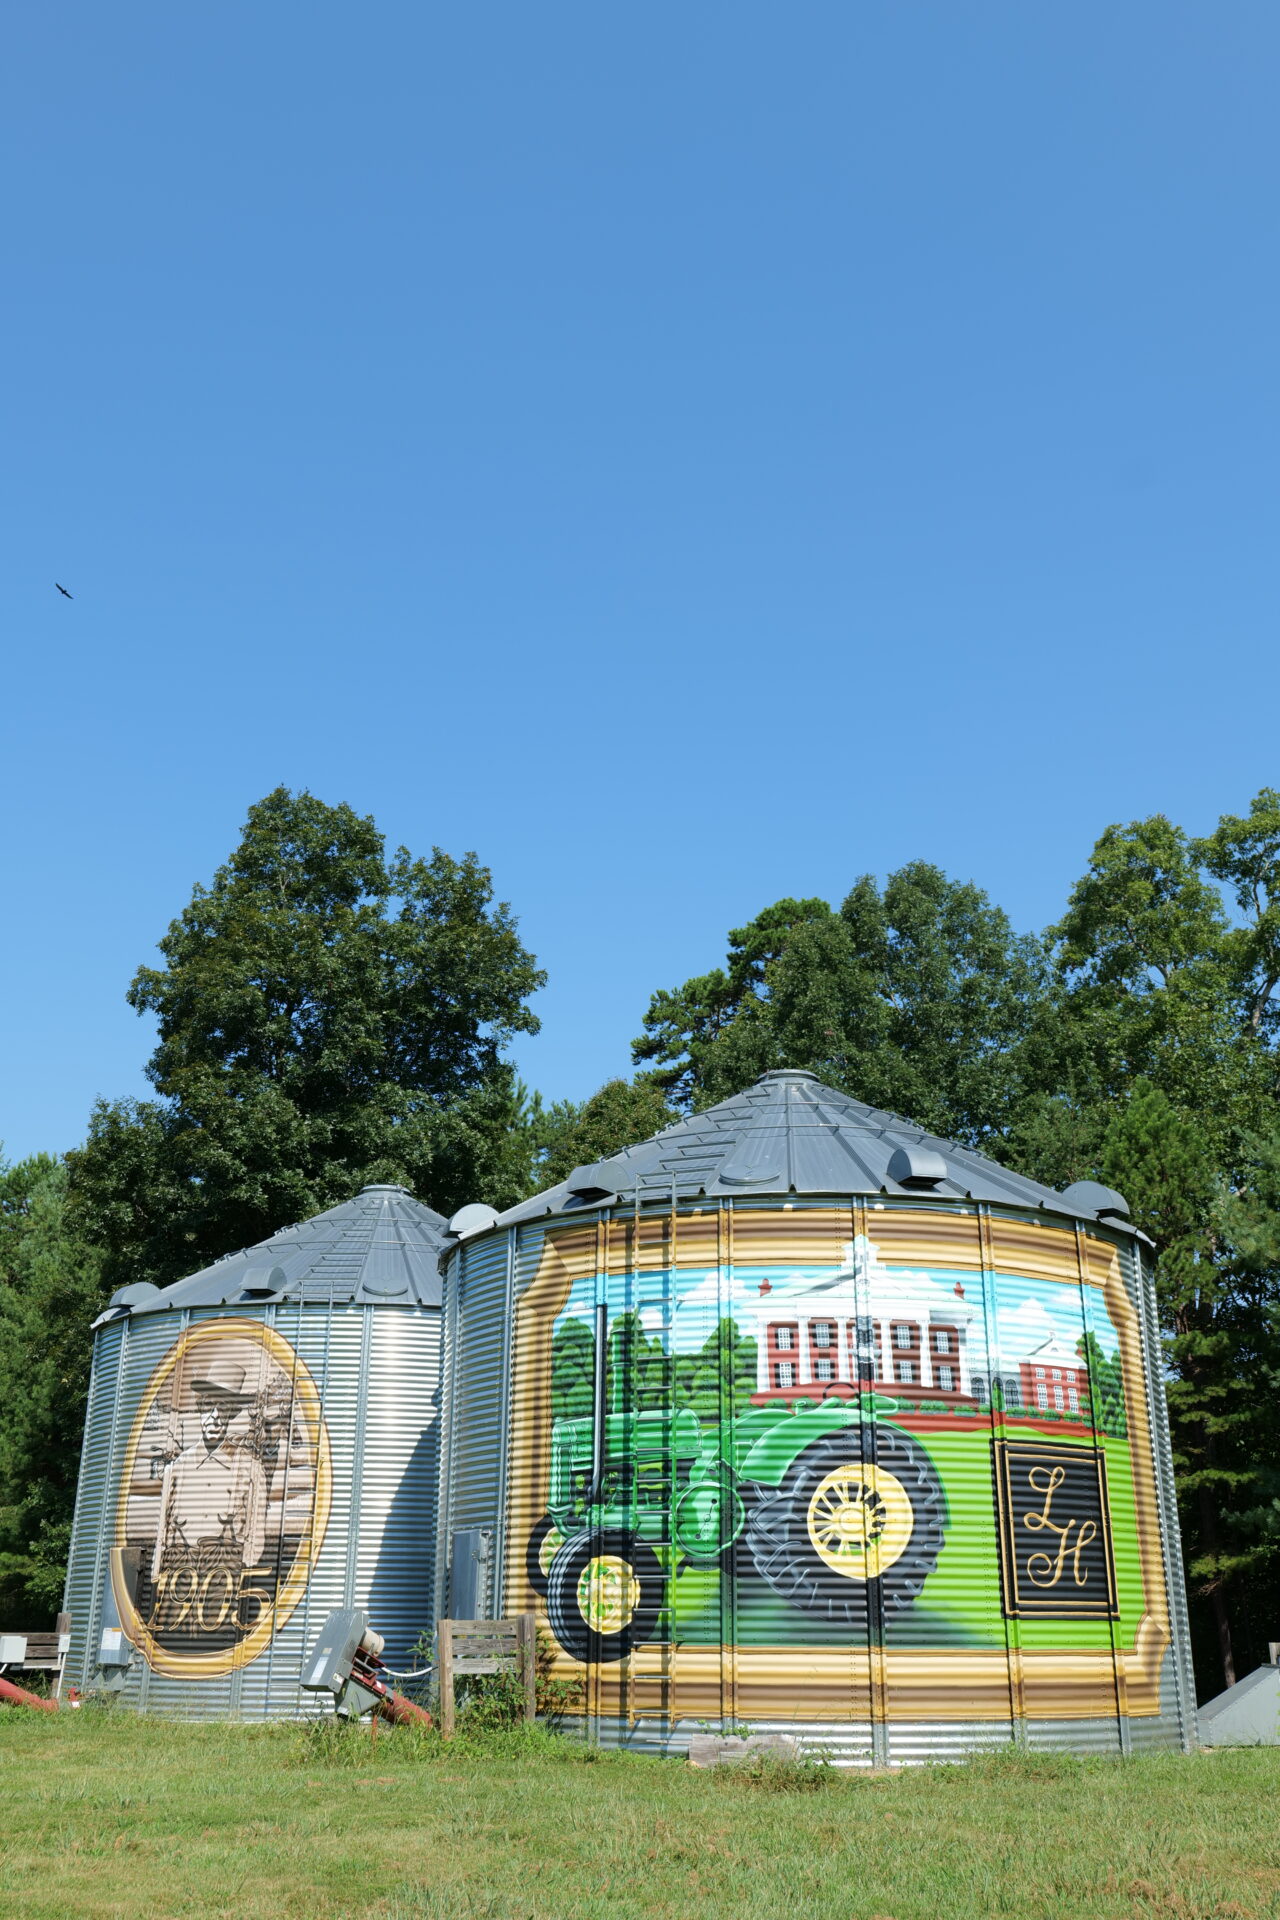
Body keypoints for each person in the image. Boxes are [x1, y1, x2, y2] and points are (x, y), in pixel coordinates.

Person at [151, 1358, 268, 1596]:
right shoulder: (177, 1469)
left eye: (223, 1408)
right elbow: (162, 1532)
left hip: (224, 1579)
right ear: (199, 1409)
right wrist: (157, 1574)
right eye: (208, 1407)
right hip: (179, 1577)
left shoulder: (250, 1468)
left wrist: (241, 1571)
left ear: (232, 1414)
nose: (214, 1416)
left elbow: (258, 1534)